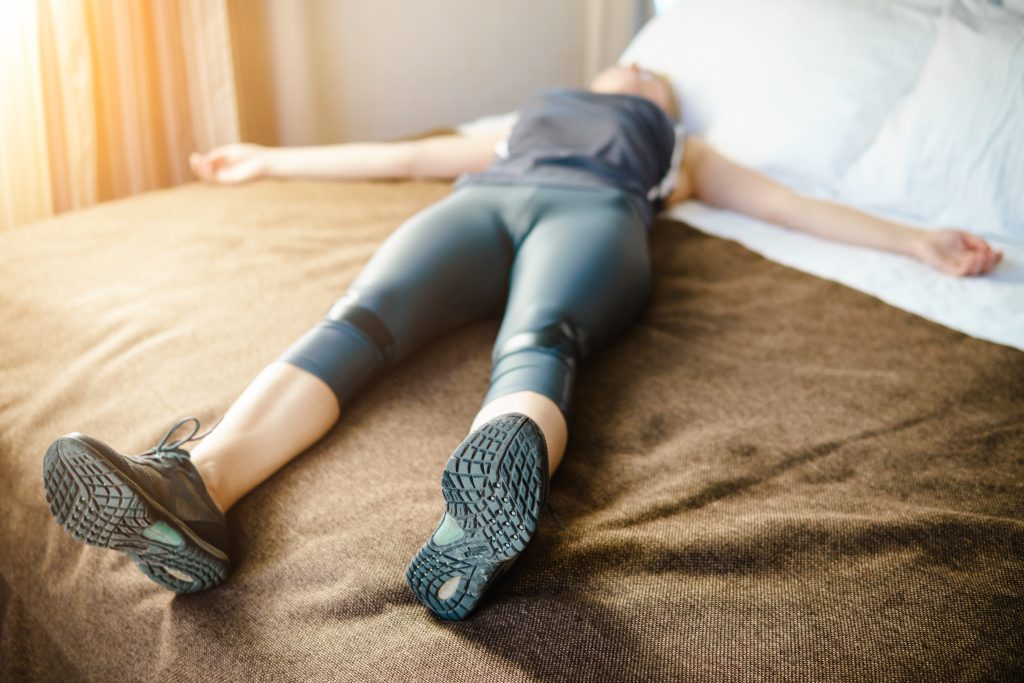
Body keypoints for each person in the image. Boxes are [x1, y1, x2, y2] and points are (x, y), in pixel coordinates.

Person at [41, 64, 1002, 621]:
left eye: (654, 78)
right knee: (357, 319)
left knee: (542, 339)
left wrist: (913, 238)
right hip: (482, 203)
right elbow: (408, 158)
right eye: (625, 70)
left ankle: (491, 484)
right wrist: (268, 161)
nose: (635, 74)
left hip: (596, 218)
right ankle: (197, 488)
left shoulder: (678, 149)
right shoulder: (525, 122)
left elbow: (793, 204)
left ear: (665, 106)